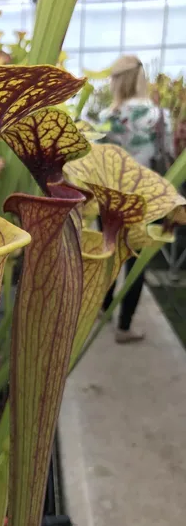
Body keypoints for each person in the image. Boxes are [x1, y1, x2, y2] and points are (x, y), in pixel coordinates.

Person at [99, 55, 168, 343]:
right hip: (146, 198)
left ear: (116, 81)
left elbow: (96, 161)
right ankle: (124, 326)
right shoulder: (158, 116)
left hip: (110, 197)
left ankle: (103, 310)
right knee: (136, 263)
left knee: (108, 255)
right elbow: (166, 154)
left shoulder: (105, 118)